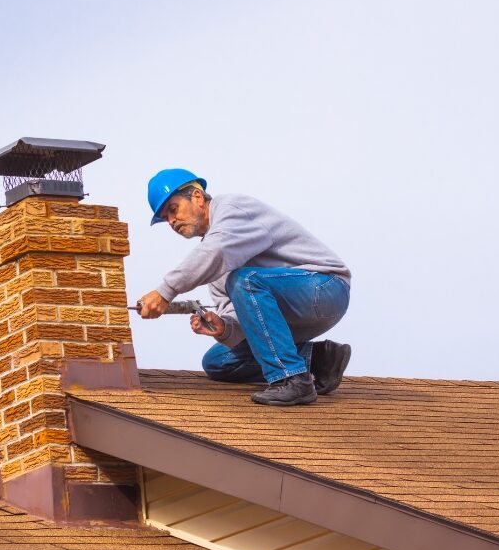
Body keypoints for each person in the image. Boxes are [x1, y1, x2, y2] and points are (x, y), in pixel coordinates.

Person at [136, 168, 352, 406]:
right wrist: (224, 328)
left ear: (197, 196)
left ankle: (292, 380)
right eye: (166, 218)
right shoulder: (215, 262)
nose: (171, 221)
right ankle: (319, 360)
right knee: (219, 361)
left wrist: (165, 291)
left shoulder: (232, 209)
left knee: (245, 280)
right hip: (292, 313)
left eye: (173, 209)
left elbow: (216, 251)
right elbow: (241, 317)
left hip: (326, 288)